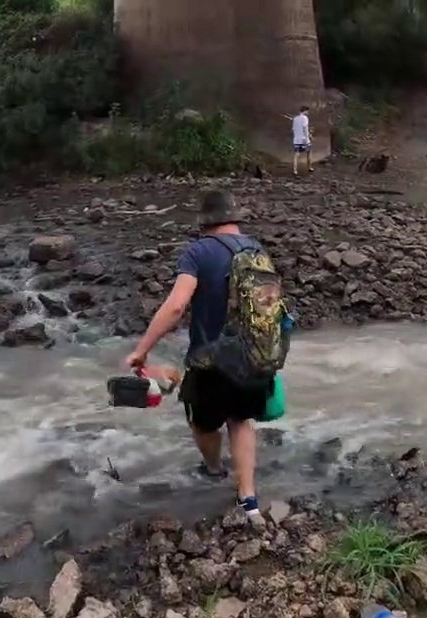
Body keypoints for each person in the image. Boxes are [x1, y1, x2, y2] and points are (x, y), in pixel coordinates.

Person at [124, 191, 280, 518]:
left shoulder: (198, 252)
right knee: (240, 420)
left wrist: (142, 350)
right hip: (256, 356)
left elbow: (177, 306)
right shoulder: (257, 249)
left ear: (204, 222)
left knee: (203, 424)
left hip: (211, 361)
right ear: (235, 218)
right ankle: (248, 498)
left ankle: (213, 469)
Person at [292, 105, 312, 175]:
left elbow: (293, 129)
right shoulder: (305, 118)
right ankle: (309, 167)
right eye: (307, 111)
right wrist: (307, 138)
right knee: (309, 152)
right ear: (305, 111)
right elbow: (305, 128)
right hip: (303, 139)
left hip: (296, 139)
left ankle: (295, 170)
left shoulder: (295, 118)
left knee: (296, 154)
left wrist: (296, 136)